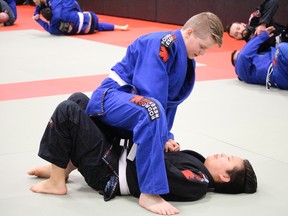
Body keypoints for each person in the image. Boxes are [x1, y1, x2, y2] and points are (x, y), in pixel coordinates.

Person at [28, 92, 257, 215]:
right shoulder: (198, 161)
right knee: (79, 100)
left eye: (227, 159)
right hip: (116, 155)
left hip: (110, 172)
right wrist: (166, 143)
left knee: (67, 111)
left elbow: (159, 173)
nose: (221, 154)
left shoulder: (199, 181)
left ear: (225, 177)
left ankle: (57, 181)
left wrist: (155, 143)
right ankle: (64, 167)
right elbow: (162, 160)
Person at [85, 12, 224, 214]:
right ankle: (149, 193)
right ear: (189, 32)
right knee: (151, 109)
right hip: (110, 98)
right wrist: (161, 134)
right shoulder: (162, 43)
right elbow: (151, 95)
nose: (202, 53)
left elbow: (170, 103)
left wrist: (166, 136)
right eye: (202, 47)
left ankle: (65, 165)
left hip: (131, 107)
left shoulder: (185, 60)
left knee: (153, 109)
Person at [34, 7, 128, 35]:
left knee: (98, 27)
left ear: (46, 19)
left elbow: (46, 27)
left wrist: (38, 20)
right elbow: (74, 4)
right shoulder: (63, 12)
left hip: (87, 30)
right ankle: (120, 27)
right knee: (97, 25)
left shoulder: (52, 29)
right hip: (91, 17)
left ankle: (120, 27)